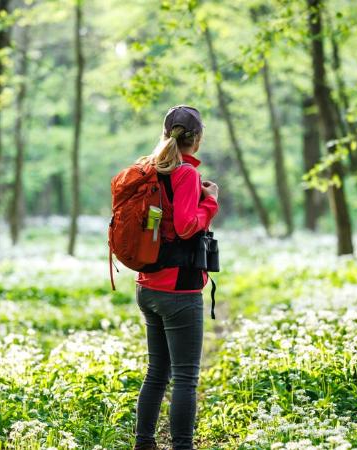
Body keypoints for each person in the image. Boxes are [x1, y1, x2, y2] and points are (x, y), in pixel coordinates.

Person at [132, 105, 219, 450]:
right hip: (178, 290)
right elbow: (185, 226)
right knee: (185, 377)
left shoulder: (149, 169)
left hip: (148, 284)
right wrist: (209, 203)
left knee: (156, 374)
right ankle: (182, 446)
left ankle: (144, 443)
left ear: (166, 134)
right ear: (195, 139)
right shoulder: (184, 174)